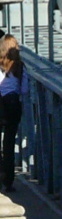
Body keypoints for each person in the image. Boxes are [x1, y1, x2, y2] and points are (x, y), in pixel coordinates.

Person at [0, 35, 29, 193]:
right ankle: (8, 181)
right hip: (13, 106)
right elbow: (24, 90)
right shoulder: (20, 66)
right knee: (9, 143)